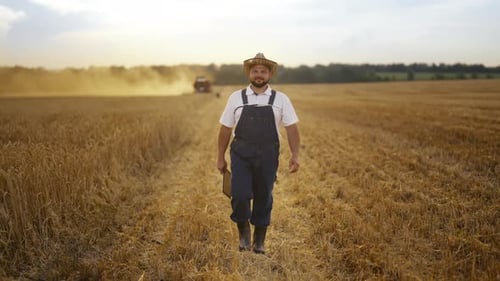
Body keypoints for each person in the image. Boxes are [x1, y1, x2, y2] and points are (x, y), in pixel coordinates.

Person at [216, 53, 300, 254]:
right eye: (255, 71)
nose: (259, 74)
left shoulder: (281, 99)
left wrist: (295, 155)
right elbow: (225, 129)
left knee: (264, 196)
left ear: (270, 74)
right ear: (249, 73)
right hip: (241, 153)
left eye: (263, 71)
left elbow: (292, 129)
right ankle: (244, 232)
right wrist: (220, 157)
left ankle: (259, 240)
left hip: (268, 154)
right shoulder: (236, 97)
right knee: (239, 193)